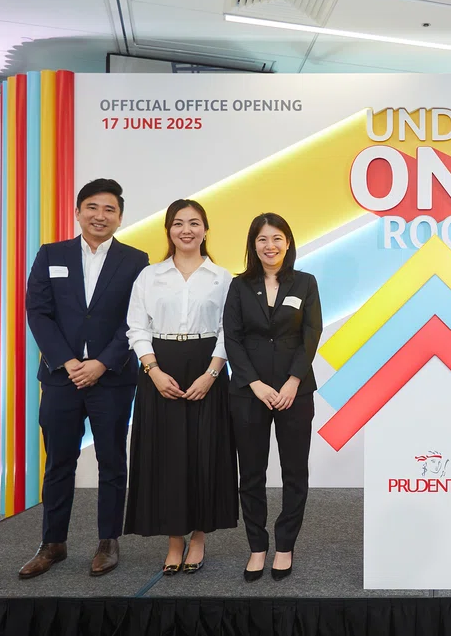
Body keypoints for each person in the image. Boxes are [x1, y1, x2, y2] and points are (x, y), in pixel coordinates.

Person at [21, 179, 149, 579]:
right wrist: (68, 361)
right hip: (62, 379)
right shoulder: (51, 254)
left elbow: (137, 319)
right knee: (59, 462)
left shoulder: (135, 260)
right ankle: (52, 543)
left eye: (109, 209)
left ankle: (107, 542)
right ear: (78, 212)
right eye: (92, 208)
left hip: (111, 379)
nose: (100, 216)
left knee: (113, 461)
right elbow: (38, 312)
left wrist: (102, 363)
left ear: (120, 217)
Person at [123, 199, 237, 574]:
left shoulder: (222, 278)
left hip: (208, 366)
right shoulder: (150, 276)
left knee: (205, 454)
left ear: (206, 229)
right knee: (168, 456)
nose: (186, 230)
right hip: (161, 366)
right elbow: (137, 328)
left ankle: (199, 538)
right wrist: (153, 371)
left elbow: (228, 330)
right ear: (168, 231)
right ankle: (174, 540)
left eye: (194, 223)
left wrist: (212, 373)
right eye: (178, 224)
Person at [223, 213, 322, 582]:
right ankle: (257, 546)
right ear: (253, 245)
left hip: (295, 390)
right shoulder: (239, 286)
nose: (270, 246)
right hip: (249, 393)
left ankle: (285, 545)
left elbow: (312, 333)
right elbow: (232, 337)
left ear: (288, 242)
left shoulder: (305, 283)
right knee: (251, 473)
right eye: (263, 239)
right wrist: (255, 384)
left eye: (277, 238)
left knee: (295, 471)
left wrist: (293, 381)